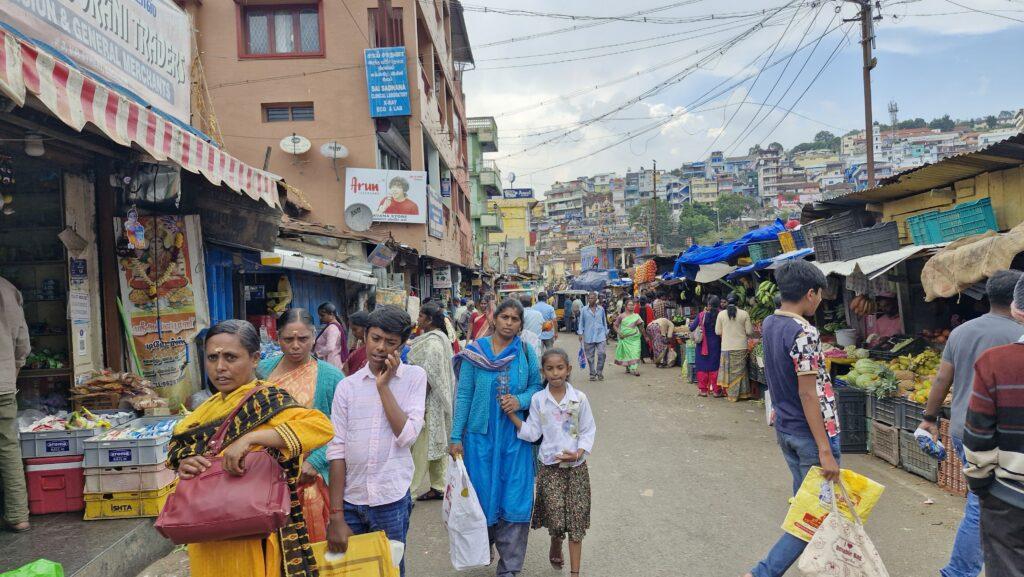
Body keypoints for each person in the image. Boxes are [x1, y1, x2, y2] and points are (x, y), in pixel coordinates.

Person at [168, 320, 334, 577]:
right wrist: (184, 462)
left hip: (251, 530)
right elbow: (179, 447)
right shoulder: (206, 408)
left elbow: (321, 427)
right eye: (212, 358)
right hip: (205, 529)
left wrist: (251, 438)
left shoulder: (266, 399)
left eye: (230, 357)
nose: (220, 367)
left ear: (255, 359)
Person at [921, 270, 1024, 577]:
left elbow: (942, 378)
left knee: (981, 506)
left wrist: (928, 418)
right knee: (980, 511)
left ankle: (958, 572)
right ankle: (958, 571)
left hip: (970, 432)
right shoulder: (1011, 336)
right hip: (1008, 441)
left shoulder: (962, 332)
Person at [744, 260, 840, 577]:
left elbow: (778, 375)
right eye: (820, 295)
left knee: (809, 508)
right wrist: (825, 449)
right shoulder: (804, 332)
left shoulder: (771, 323)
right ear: (810, 294)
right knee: (812, 515)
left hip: (787, 430)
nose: (821, 301)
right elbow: (808, 393)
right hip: (811, 435)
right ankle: (761, 573)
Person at [326, 307, 426, 577]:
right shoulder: (347, 387)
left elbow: (406, 436)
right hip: (350, 501)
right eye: (376, 338)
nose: (381, 348)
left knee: (389, 571)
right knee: (349, 571)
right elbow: (336, 451)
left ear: (402, 345)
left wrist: (383, 386)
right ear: (365, 337)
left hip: (390, 500)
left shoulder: (414, 378)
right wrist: (335, 514)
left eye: (390, 342)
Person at [450, 298, 543, 577]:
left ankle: (510, 568)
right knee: (481, 496)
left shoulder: (525, 353)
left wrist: (520, 399)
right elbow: (464, 394)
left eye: (515, 319)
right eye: (505, 317)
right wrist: (456, 437)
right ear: (495, 319)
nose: (509, 323)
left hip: (515, 438)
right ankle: (481, 550)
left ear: (520, 324)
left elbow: (537, 387)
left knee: (514, 497)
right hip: (479, 439)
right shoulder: (474, 353)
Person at [504, 349, 596, 577]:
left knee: (577, 521)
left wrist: (578, 453)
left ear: (568, 370)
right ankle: (556, 540)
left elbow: (588, 430)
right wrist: (512, 417)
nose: (555, 373)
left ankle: (575, 573)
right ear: (543, 371)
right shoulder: (538, 400)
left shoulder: (579, 399)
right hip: (549, 468)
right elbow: (534, 433)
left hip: (576, 469)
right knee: (555, 517)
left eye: (560, 368)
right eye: (550, 368)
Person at [258, 309, 345, 542]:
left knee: (312, 549)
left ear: (314, 337)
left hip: (310, 477)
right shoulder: (262, 371)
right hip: (266, 477)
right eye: (288, 339)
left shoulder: (331, 377)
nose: (295, 345)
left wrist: (315, 461)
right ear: (278, 338)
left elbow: (344, 429)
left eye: (303, 339)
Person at [962, 273, 1024, 577]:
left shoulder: (995, 363)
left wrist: (981, 484)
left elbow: (977, 438)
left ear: (1017, 310)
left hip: (1009, 495)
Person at [407, 303, 454, 502]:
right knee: (437, 442)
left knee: (421, 448)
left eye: (420, 315)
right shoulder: (438, 338)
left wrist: (420, 401)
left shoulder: (434, 342)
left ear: (429, 319)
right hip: (436, 397)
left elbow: (429, 375)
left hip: (429, 400)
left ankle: (409, 491)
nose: (417, 319)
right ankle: (438, 485)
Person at [0, 275, 29, 533]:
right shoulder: (8, 289)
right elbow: (23, 344)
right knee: (8, 447)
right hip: (3, 383)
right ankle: (18, 516)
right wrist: (13, 373)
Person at [716, 294, 756, 402]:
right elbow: (749, 332)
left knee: (729, 372)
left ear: (727, 302)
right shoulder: (744, 314)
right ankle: (742, 394)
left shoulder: (721, 314)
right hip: (741, 347)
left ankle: (732, 394)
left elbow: (718, 331)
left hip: (726, 347)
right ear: (738, 302)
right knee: (741, 372)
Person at [690, 296, 724, 397]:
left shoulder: (701, 315)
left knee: (702, 367)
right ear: (718, 305)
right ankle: (716, 391)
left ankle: (703, 390)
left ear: (708, 305)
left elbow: (691, 327)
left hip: (702, 345)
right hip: (716, 344)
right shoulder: (720, 315)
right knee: (715, 367)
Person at [577, 292, 609, 381]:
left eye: (592, 298)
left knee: (602, 353)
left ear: (596, 299)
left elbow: (604, 321)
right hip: (588, 335)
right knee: (590, 357)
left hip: (600, 335)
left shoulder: (601, 309)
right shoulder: (584, 310)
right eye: (589, 298)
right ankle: (592, 373)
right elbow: (581, 322)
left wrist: (606, 332)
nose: (590, 300)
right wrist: (580, 333)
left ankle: (599, 372)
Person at [613, 297, 644, 377]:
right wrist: (619, 333)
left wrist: (645, 335)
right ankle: (628, 366)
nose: (632, 306)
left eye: (633, 305)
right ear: (626, 306)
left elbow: (641, 327)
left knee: (636, 352)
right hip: (625, 338)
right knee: (627, 353)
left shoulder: (637, 316)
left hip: (635, 337)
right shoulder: (621, 316)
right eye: (630, 305)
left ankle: (634, 368)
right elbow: (615, 326)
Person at [314, 302, 348, 370]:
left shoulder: (332, 328)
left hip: (331, 363)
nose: (320, 318)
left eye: (322, 315)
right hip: (331, 362)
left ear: (331, 314)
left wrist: (317, 354)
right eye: (320, 315)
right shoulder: (334, 325)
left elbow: (330, 347)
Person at [343, 311, 371, 376]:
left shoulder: (371, 348)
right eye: (352, 330)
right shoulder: (358, 344)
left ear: (365, 328)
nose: (353, 333)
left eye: (355, 329)